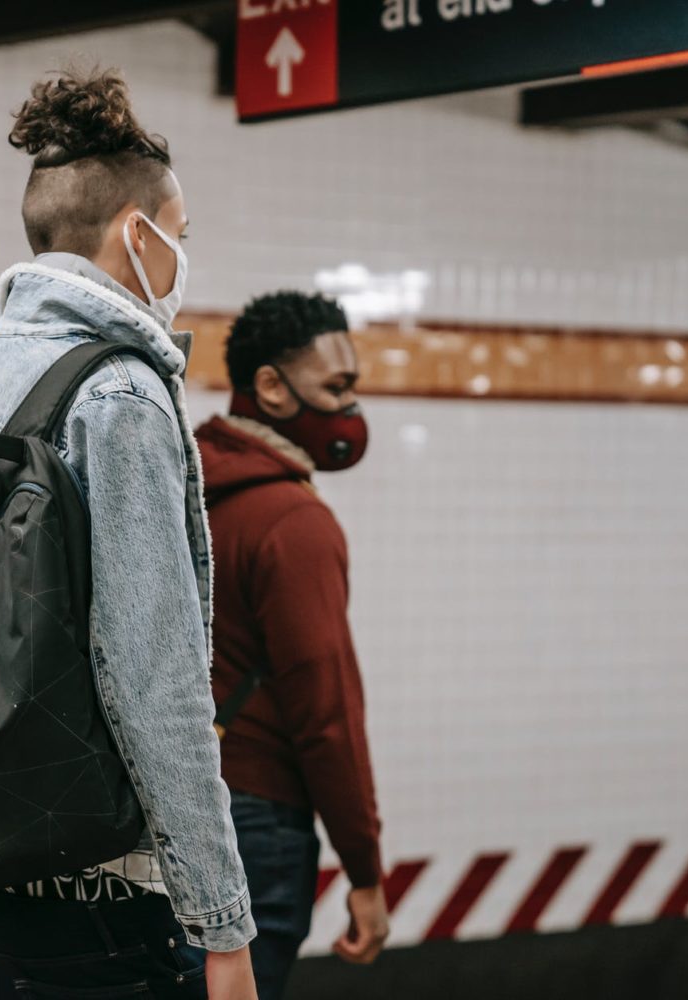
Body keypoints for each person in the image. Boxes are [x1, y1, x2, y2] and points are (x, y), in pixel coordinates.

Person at [0, 70, 258, 1000]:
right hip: (105, 900)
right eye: (181, 237)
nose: (180, 259)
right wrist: (225, 925)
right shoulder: (119, 396)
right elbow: (153, 677)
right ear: (137, 233)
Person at [196, 291, 391, 1000]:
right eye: (336, 389)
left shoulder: (180, 485)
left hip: (163, 812)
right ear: (271, 387)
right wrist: (364, 872)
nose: (350, 412)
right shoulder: (293, 522)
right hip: (256, 821)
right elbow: (327, 714)